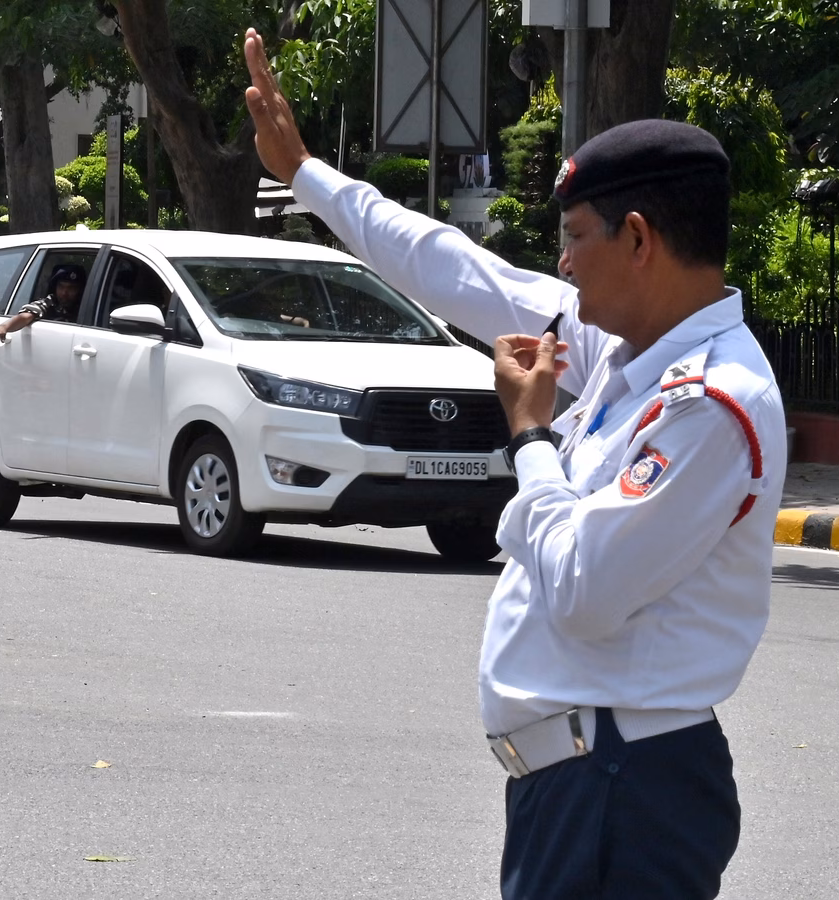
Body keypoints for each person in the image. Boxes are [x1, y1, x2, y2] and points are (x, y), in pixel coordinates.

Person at [243, 28, 785, 900]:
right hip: (584, 783)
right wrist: (307, 174)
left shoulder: (710, 406)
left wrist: (531, 438)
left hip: (624, 794)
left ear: (638, 239)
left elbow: (586, 589)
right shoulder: (624, 347)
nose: (562, 265)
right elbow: (453, 270)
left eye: (574, 238)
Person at [0, 264, 86, 340]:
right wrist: (4, 327)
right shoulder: (50, 302)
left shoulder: (87, 306)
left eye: (71, 288)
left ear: (80, 290)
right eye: (61, 287)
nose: (65, 293)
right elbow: (26, 316)